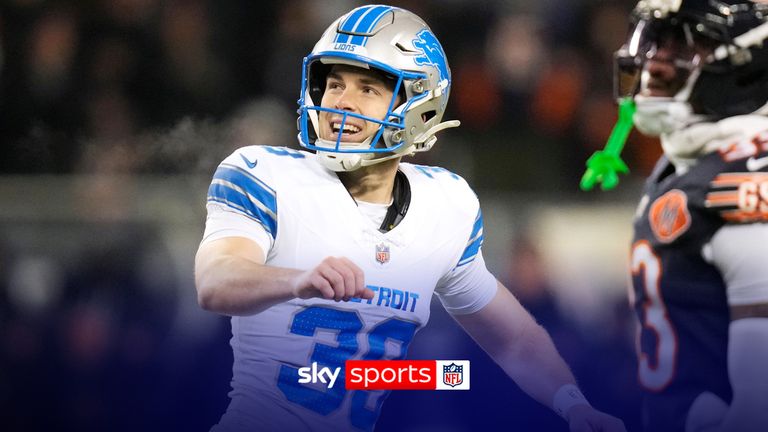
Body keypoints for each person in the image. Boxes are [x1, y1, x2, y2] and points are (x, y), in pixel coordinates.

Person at [194, 5, 625, 432]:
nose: (341, 102)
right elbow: (215, 280)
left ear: (419, 106)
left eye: (368, 88)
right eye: (334, 83)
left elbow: (513, 338)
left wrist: (573, 405)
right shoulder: (266, 174)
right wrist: (294, 280)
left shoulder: (444, 203)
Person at [611, 1, 768, 431]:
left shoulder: (748, 184)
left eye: (687, 43)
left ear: (751, 59)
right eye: (656, 41)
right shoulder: (691, 159)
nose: (655, 63)